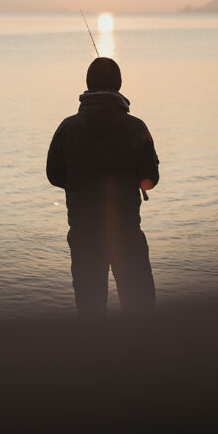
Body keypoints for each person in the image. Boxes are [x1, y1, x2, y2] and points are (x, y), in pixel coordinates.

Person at [47, 57, 159, 318]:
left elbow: (54, 175)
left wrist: (79, 184)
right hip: (126, 232)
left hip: (84, 233)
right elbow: (150, 179)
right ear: (119, 85)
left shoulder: (67, 128)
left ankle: (95, 357)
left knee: (90, 312)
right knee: (140, 311)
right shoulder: (135, 127)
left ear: (88, 85)